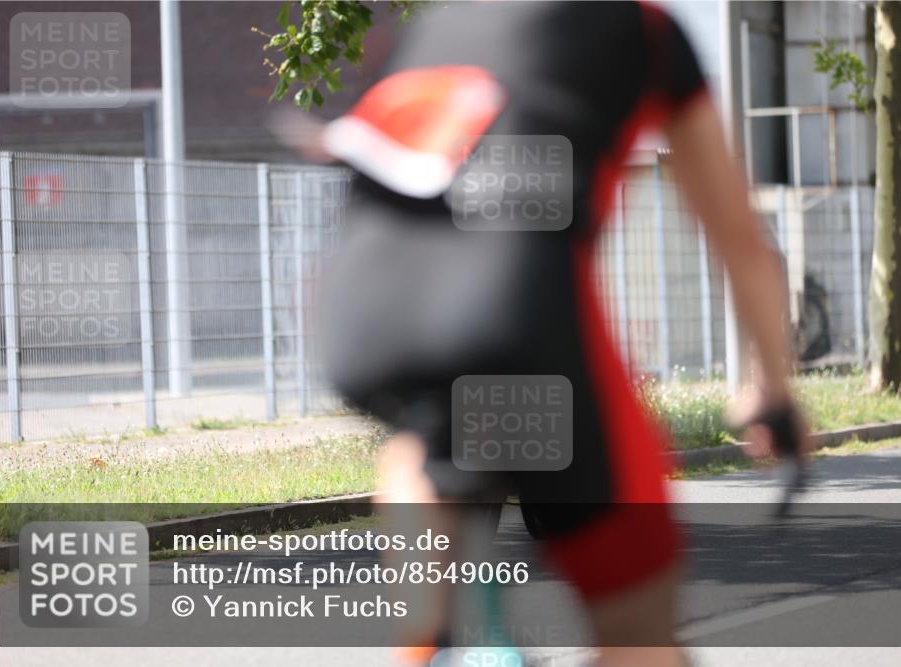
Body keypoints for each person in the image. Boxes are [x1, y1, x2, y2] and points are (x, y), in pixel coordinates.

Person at [278, 2, 810, 665]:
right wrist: (772, 387)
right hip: (510, 312)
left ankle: (432, 633)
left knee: (426, 444)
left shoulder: (437, 24)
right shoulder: (644, 29)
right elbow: (737, 235)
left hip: (357, 312)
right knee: (636, 626)